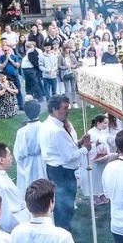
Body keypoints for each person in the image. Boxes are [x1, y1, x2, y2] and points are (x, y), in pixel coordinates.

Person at [40, 95, 89, 232]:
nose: (68, 111)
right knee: (64, 205)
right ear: (55, 110)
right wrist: (85, 149)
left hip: (55, 169)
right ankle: (64, 232)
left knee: (62, 204)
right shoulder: (56, 131)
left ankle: (64, 228)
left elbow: (64, 148)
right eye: (65, 108)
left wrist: (78, 143)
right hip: (62, 172)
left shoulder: (47, 125)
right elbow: (68, 156)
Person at [13, 100, 45, 196]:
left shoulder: (22, 131)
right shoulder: (45, 127)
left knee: (29, 184)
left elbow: (18, 152)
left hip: (28, 162)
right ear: (39, 111)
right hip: (43, 160)